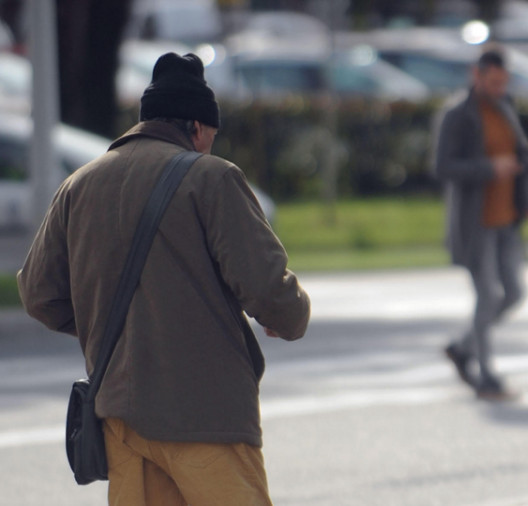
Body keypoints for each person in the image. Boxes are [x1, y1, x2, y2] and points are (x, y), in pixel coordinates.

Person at [17, 53, 311, 506]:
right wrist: (290, 316)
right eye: (211, 135)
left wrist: (109, 324)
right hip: (206, 415)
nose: (210, 145)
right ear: (197, 126)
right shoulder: (211, 177)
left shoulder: (79, 184)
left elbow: (38, 293)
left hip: (119, 418)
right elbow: (267, 285)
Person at [433, 47, 528, 401]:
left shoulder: (505, 109)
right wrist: (489, 169)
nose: (498, 88)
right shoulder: (458, 115)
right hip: (475, 222)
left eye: (502, 82)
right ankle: (486, 376)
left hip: (505, 220)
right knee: (487, 296)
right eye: (491, 81)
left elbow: (522, 156)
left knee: (513, 293)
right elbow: (444, 167)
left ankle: (463, 348)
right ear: (475, 75)